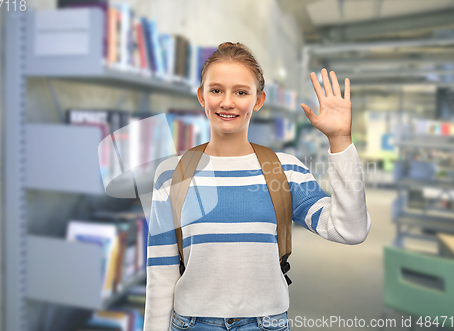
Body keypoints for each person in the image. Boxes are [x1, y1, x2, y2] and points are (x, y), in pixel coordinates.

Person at [143, 42, 371, 331]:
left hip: (266, 324)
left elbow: (350, 230)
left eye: (241, 92)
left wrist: (340, 140)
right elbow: (161, 274)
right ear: (202, 96)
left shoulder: (284, 169)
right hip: (191, 324)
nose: (227, 102)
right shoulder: (172, 174)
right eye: (216, 90)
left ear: (258, 100)